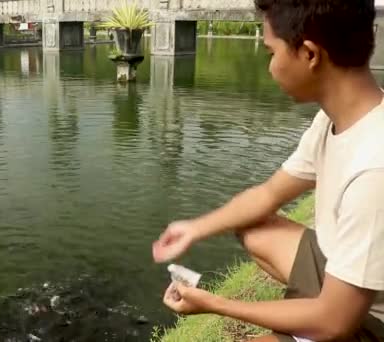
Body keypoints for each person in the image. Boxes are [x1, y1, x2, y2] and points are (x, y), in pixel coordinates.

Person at [152, 0, 384, 341]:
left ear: (309, 54)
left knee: (322, 323)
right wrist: (193, 229)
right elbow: (268, 194)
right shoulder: (339, 119)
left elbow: (336, 322)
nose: (270, 68)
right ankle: (311, 308)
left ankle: (312, 317)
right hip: (352, 279)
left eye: (270, 53)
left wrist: (215, 303)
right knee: (254, 226)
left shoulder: (374, 169)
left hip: (368, 314)